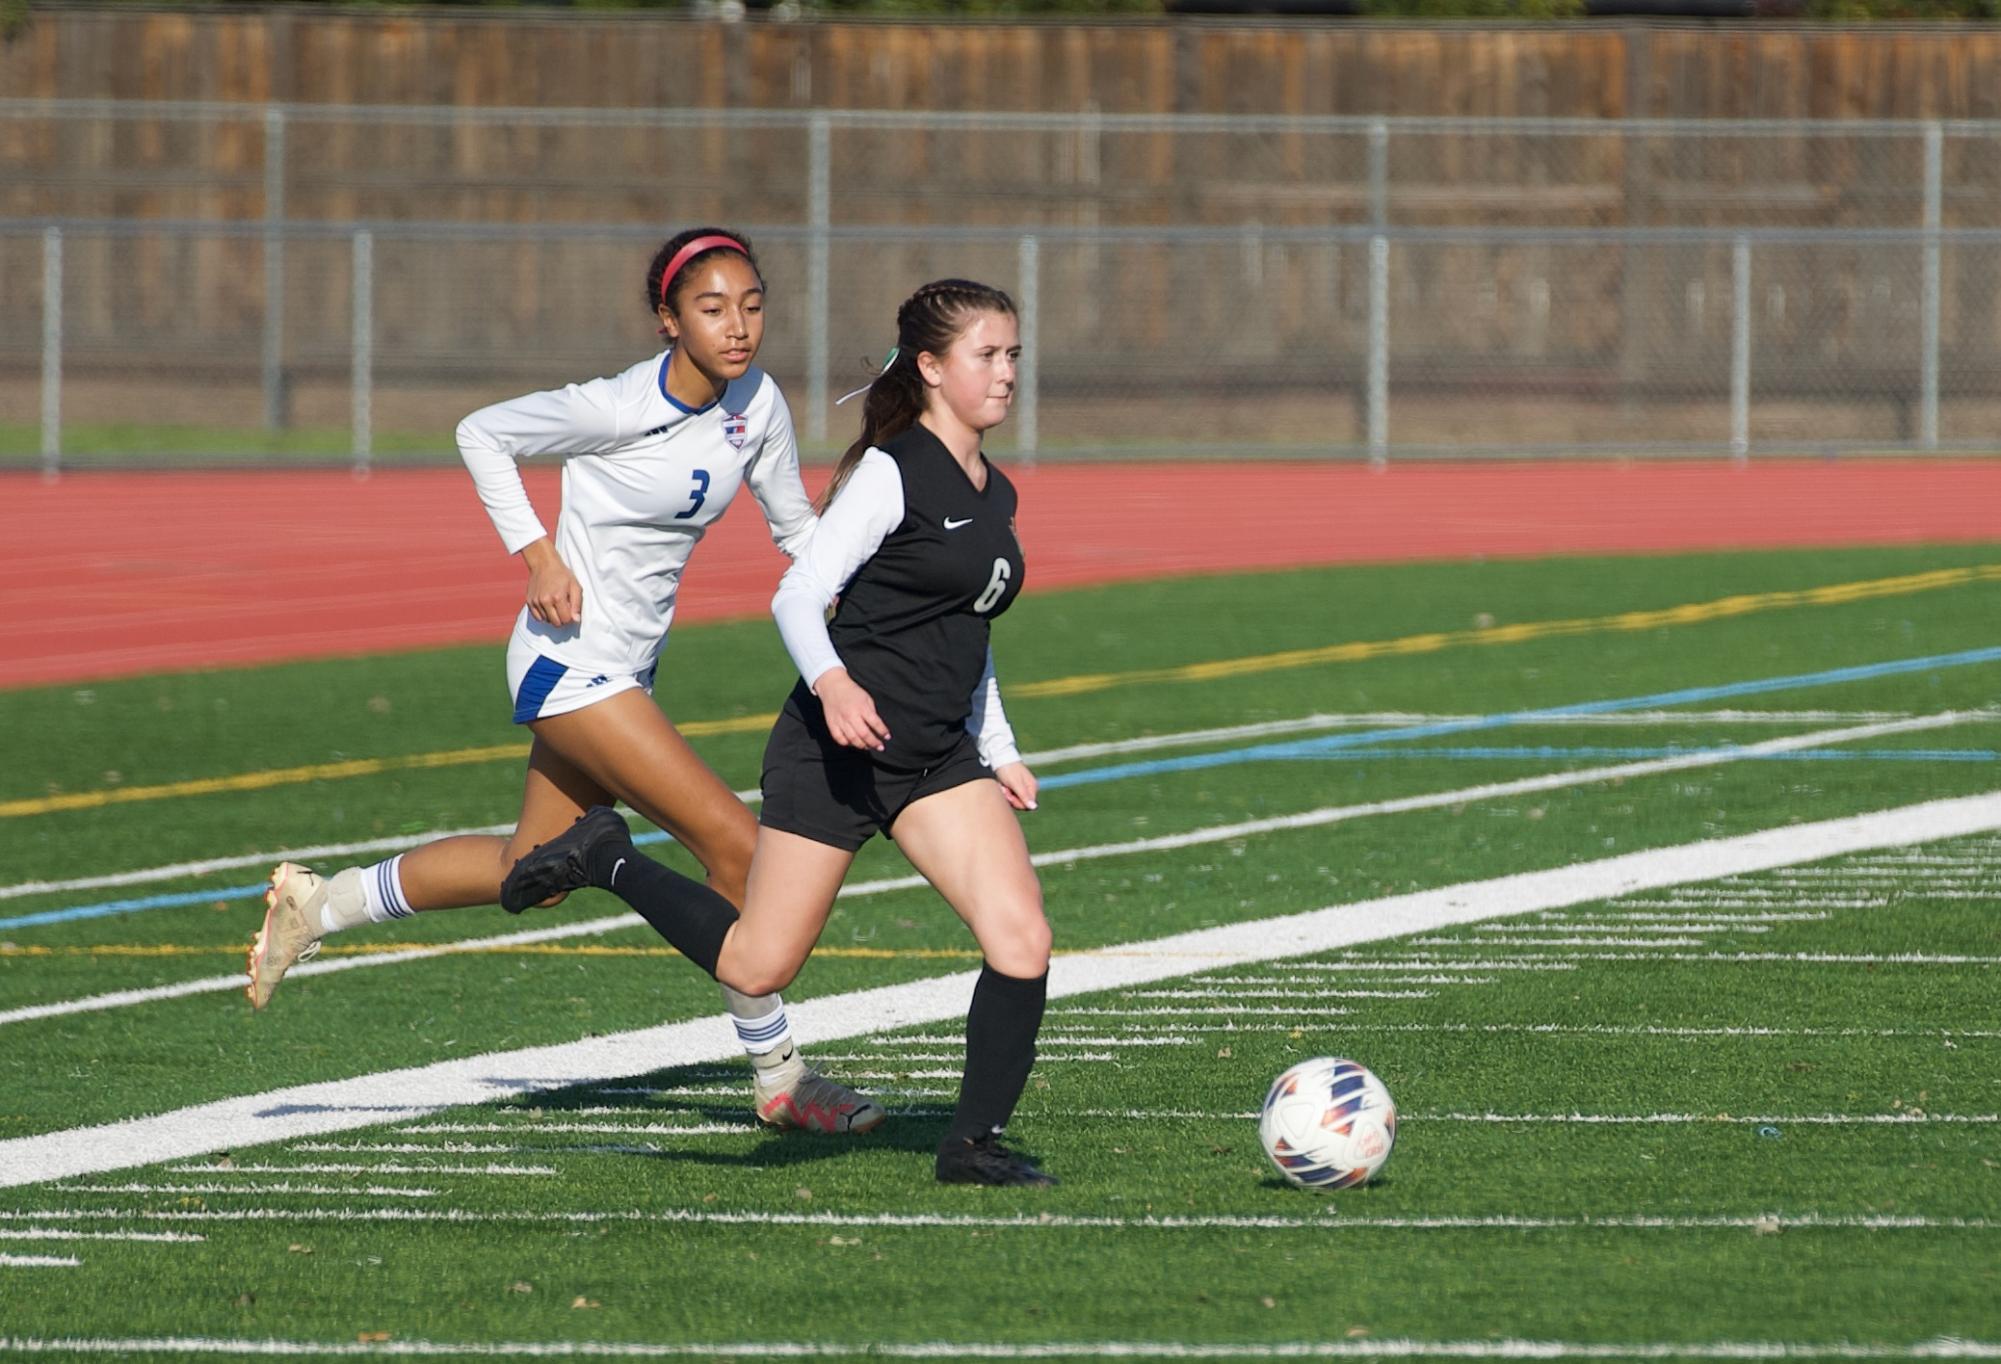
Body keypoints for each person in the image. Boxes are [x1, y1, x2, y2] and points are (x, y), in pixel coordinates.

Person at [245, 227, 884, 1136]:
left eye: (751, 305)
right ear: (669, 319)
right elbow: (482, 434)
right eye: (710, 308)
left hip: (624, 672)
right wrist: (538, 555)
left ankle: (319, 903)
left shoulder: (759, 403)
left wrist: (865, 585)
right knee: (741, 854)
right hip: (570, 665)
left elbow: (794, 530)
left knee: (528, 873)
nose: (737, 327)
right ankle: (779, 1077)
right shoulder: (617, 405)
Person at [498, 278, 1055, 1187]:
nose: (1004, 374)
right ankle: (605, 854)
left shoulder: (994, 491)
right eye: (985, 356)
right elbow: (798, 593)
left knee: (1020, 941)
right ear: (929, 367)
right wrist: (832, 683)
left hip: (934, 759)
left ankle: (970, 1145)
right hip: (834, 754)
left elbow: (970, 633)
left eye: (1011, 356)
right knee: (758, 964)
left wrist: (999, 750)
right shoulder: (891, 470)